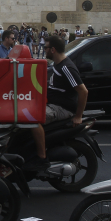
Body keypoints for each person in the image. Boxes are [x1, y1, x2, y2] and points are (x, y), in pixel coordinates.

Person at [26, 35, 89, 173]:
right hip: (52, 103)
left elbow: (83, 91)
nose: (44, 50)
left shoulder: (67, 67)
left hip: (62, 108)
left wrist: (78, 116)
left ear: (52, 49)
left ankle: (41, 158)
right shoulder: (57, 64)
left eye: (45, 47)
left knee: (32, 119)